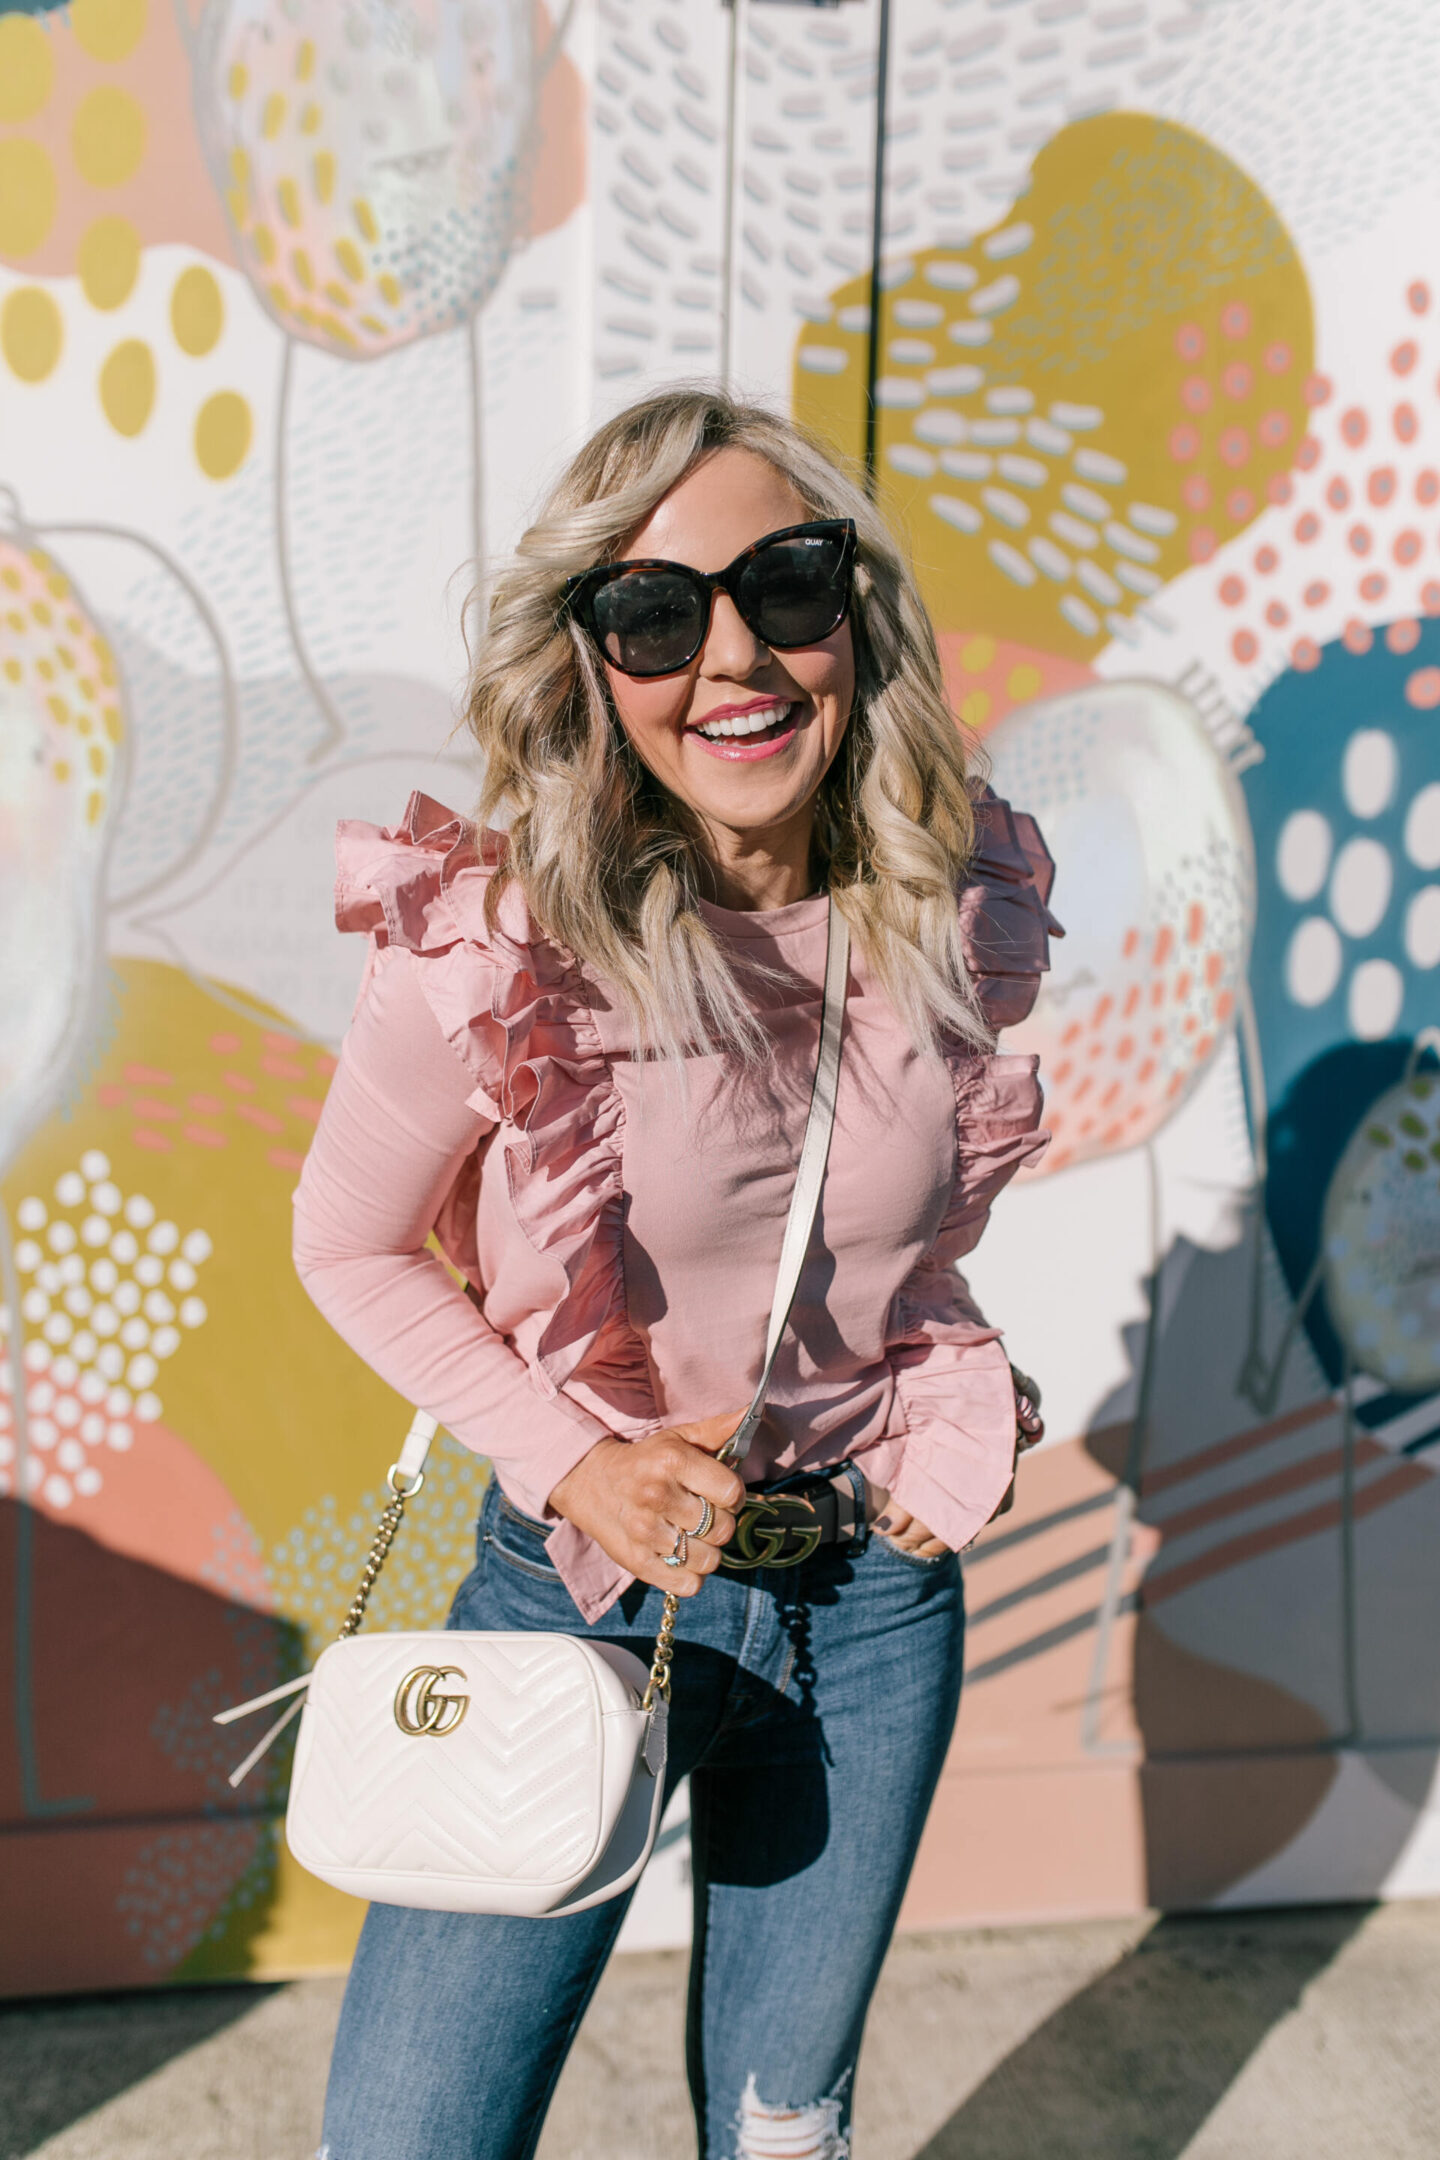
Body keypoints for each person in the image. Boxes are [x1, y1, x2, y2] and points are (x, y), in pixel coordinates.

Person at [295, 387, 1058, 2160]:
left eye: (785, 586)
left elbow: (891, 1253)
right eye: (656, 611)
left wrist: (957, 1387)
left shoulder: (953, 906)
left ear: (853, 614)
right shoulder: (492, 944)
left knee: (786, 2132)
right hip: (576, 1590)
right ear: (589, 657)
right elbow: (345, 1246)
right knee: (412, 2138)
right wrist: (573, 1458)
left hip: (864, 1610)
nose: (735, 656)